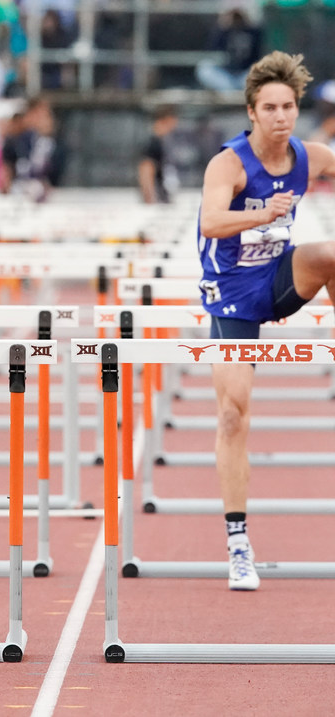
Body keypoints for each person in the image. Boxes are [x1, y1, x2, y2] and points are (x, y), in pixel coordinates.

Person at [197, 51, 335, 591]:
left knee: (329, 255)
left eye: (289, 107)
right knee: (234, 414)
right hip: (230, 294)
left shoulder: (312, 156)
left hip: (279, 276)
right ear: (252, 112)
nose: (281, 116)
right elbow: (210, 220)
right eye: (270, 107)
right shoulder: (227, 164)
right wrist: (261, 213)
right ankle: (238, 543)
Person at [138, 104, 180, 204]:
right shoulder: (153, 143)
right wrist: (149, 197)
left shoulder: (162, 141)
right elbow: (146, 169)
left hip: (161, 196)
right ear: (167, 120)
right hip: (157, 198)